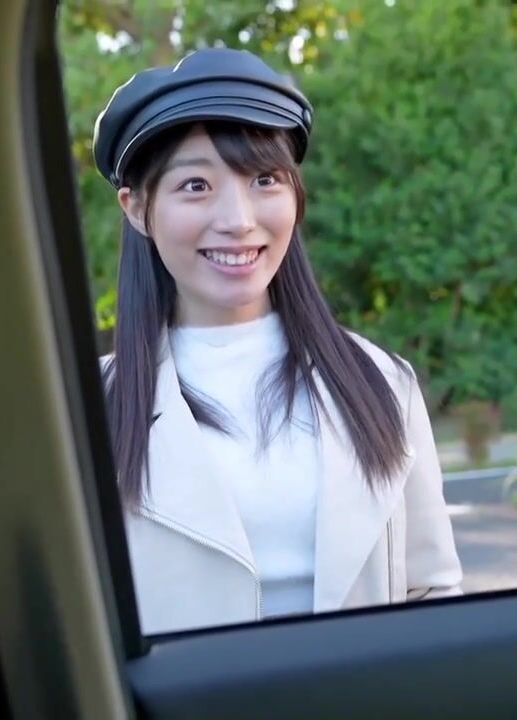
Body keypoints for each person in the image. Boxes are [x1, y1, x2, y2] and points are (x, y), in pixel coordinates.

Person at [92, 48, 463, 634]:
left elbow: (433, 594)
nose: (238, 219)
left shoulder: (383, 381)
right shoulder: (90, 408)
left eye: (264, 179)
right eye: (196, 185)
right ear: (137, 208)